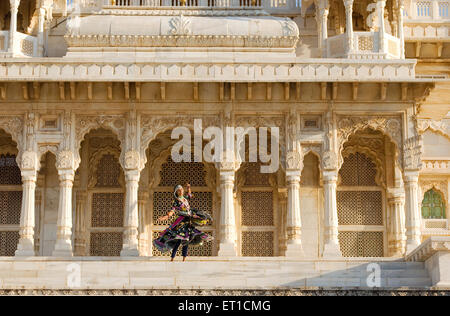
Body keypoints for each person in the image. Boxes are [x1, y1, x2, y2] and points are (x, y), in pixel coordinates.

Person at [153, 183, 213, 261]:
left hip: (188, 221)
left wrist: (188, 187)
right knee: (178, 240)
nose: (180, 192)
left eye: (181, 190)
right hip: (181, 222)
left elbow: (190, 195)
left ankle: (184, 258)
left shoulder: (185, 198)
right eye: (178, 191)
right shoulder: (176, 202)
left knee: (187, 240)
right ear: (176, 192)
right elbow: (172, 210)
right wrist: (166, 216)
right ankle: (172, 258)